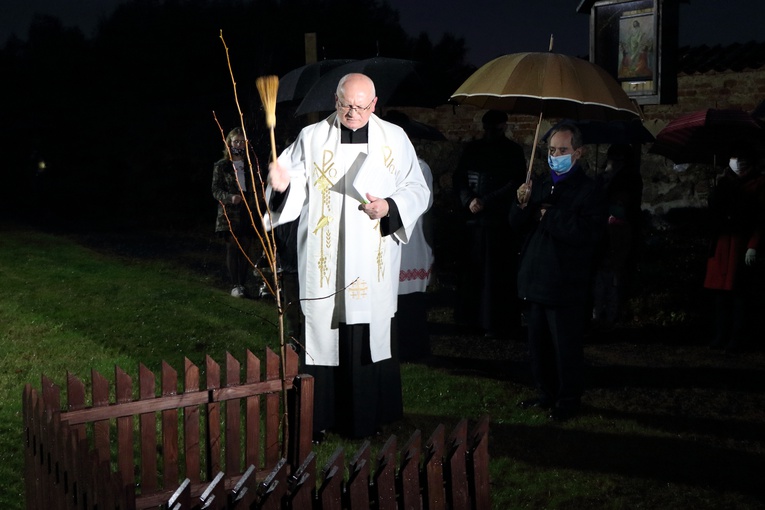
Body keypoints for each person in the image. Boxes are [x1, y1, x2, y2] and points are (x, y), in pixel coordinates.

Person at [263, 73, 430, 439]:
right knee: (323, 336)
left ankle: (367, 419)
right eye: (344, 104)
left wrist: (390, 206)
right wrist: (281, 185)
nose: (351, 112)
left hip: (371, 258)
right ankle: (320, 419)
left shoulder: (394, 139)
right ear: (335, 101)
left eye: (360, 106)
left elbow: (417, 188)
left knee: (367, 334)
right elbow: (286, 187)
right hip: (325, 259)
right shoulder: (312, 138)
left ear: (374, 104)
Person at [510, 122, 607, 421]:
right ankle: (545, 393)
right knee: (538, 346)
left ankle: (567, 399)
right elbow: (516, 224)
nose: (556, 155)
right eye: (552, 150)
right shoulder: (540, 183)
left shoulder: (589, 190)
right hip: (536, 279)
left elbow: (589, 233)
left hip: (565, 282)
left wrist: (551, 217)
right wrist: (522, 203)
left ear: (577, 153)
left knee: (564, 347)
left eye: (562, 150)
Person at [453, 110, 527, 338]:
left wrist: (486, 201)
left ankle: (495, 321)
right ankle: (470, 319)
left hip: (498, 224)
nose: (490, 133)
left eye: (494, 128)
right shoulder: (473, 150)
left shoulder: (513, 152)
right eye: (487, 128)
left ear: (503, 126)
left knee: (496, 277)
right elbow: (460, 178)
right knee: (472, 274)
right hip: (474, 223)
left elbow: (515, 183)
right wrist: (469, 200)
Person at [383, 111, 435, 362]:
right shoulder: (383, 167)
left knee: (411, 303)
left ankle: (415, 350)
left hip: (412, 242)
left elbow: (421, 204)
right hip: (387, 240)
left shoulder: (421, 168)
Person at [704, 142, 765, 352]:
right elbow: (714, 214)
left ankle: (736, 338)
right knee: (719, 295)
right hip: (721, 244)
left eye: (743, 159)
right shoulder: (723, 182)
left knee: (739, 294)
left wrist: (753, 246)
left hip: (740, 244)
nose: (738, 163)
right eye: (735, 158)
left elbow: (760, 218)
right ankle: (719, 335)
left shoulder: (759, 183)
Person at [591, 143, 644, 330]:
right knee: (601, 275)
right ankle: (599, 312)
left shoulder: (629, 179)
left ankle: (612, 314)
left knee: (615, 276)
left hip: (619, 231)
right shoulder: (603, 178)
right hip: (602, 229)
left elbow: (628, 206)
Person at [211, 127, 260, 298]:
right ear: (229, 143)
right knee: (233, 246)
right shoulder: (222, 165)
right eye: (235, 141)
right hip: (230, 211)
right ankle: (235, 285)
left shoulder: (250, 165)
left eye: (241, 141)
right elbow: (215, 190)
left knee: (246, 247)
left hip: (247, 209)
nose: (238, 144)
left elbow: (257, 188)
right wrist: (230, 197)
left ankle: (243, 283)